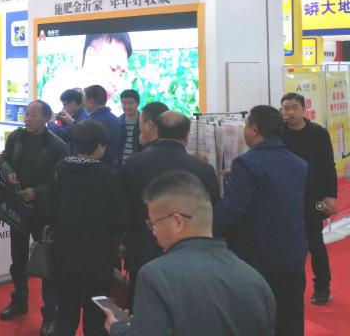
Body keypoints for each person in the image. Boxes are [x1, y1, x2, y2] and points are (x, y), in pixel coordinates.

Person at [105, 170, 276, 335]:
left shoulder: (155, 275)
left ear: (177, 222)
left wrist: (118, 329)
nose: (154, 232)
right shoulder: (255, 280)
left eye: (153, 224)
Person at [214, 105, 308, 336]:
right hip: (292, 256)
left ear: (254, 129)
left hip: (257, 257)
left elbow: (231, 211)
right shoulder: (299, 163)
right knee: (290, 321)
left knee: (253, 322)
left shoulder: (246, 163)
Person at [120, 110, 219, 308]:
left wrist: (123, 241)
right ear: (187, 135)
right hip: (189, 253)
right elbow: (213, 212)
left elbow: (122, 208)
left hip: (142, 248)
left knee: (142, 306)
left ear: (157, 130)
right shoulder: (203, 170)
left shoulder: (133, 164)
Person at [48, 120, 128, 336]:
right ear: (101, 146)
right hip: (99, 255)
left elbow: (48, 209)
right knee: (96, 312)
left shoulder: (59, 170)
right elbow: (119, 217)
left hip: (64, 251)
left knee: (66, 311)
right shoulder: (108, 175)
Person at [0, 100, 68, 335]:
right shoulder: (16, 137)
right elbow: (4, 159)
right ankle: (19, 300)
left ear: (46, 118)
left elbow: (58, 180)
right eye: (26, 114)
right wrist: (8, 172)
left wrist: (36, 191)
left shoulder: (58, 146)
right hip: (18, 207)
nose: (27, 118)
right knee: (17, 259)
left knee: (47, 264)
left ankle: (50, 314)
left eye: (33, 114)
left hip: (44, 212)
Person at [280, 92, 338, 305]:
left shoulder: (318, 133)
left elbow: (328, 166)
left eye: (294, 107)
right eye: (286, 108)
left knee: (315, 242)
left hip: (315, 198)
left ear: (304, 110)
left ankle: (322, 287)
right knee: (286, 245)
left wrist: (331, 196)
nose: (290, 112)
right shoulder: (278, 133)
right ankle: (288, 288)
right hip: (286, 198)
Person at [42, 33, 133, 108]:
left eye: (121, 74)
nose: (116, 84)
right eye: (112, 69)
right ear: (90, 55)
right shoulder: (56, 90)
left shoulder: (112, 109)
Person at [83, 85, 121, 166]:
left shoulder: (90, 122)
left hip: (94, 167)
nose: (83, 102)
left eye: (85, 99)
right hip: (112, 166)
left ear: (91, 101)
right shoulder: (115, 119)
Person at [49, 88, 89, 154]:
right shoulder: (77, 113)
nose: (63, 107)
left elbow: (61, 134)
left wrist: (51, 121)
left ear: (74, 103)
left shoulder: (82, 118)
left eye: (65, 104)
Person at [117, 89, 141, 164]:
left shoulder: (143, 123)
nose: (127, 106)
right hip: (119, 165)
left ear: (138, 103)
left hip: (137, 164)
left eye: (131, 103)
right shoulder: (117, 122)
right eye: (124, 103)